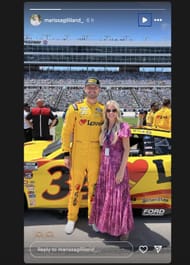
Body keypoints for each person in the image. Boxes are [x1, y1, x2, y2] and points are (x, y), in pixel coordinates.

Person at [61, 77, 104, 234]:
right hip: (78, 150)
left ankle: (93, 218)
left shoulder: (103, 109)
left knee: (94, 188)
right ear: (85, 89)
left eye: (95, 88)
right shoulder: (75, 108)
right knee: (76, 186)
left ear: (99, 90)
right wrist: (66, 153)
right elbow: (66, 132)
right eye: (89, 87)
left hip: (95, 151)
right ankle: (72, 218)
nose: (92, 90)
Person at [89, 100, 134, 241]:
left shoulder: (123, 127)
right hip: (105, 167)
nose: (111, 113)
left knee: (119, 198)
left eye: (113, 110)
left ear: (118, 111)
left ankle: (124, 229)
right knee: (106, 198)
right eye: (108, 110)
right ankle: (109, 226)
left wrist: (121, 171)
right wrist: (105, 128)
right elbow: (102, 145)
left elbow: (127, 150)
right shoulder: (105, 127)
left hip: (117, 167)